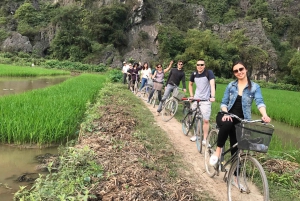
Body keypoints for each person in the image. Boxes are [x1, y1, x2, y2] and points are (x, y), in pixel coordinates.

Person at [209, 61, 271, 167]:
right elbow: (224, 103)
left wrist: (264, 115)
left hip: (241, 120)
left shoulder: (255, 87)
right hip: (225, 115)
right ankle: (218, 151)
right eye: (236, 71)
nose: (239, 72)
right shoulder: (231, 86)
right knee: (228, 123)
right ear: (234, 73)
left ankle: (236, 175)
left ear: (246, 69)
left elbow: (259, 102)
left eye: (241, 69)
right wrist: (226, 113)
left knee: (237, 147)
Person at [189, 59, 215, 144]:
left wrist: (213, 96)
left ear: (204, 65)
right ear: (196, 66)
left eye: (202, 65)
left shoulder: (209, 73)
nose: (200, 66)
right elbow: (190, 84)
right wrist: (192, 95)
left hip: (205, 100)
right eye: (198, 65)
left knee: (206, 120)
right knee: (196, 118)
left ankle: (204, 139)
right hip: (196, 99)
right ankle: (197, 135)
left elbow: (212, 84)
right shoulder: (194, 74)